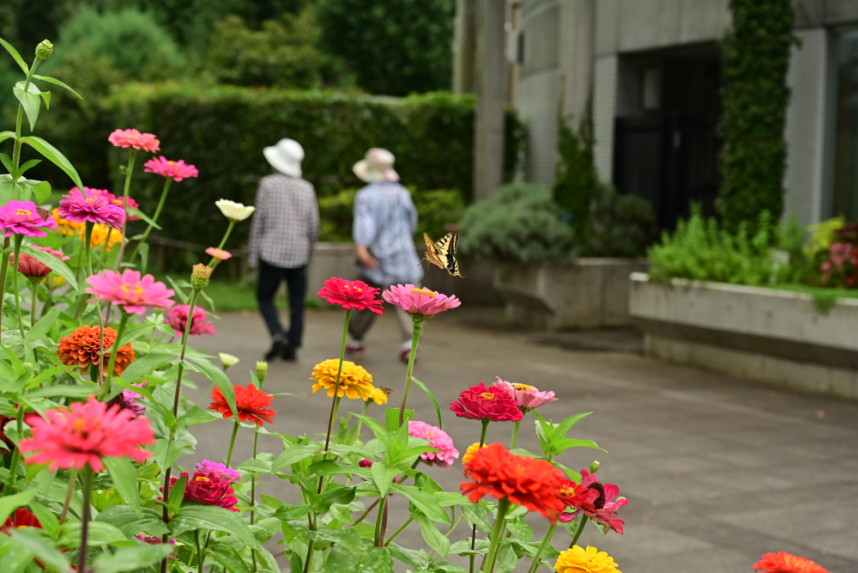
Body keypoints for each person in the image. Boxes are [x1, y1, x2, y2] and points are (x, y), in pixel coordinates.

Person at [347, 148, 423, 362]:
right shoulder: (403, 193)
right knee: (410, 301)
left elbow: (364, 224)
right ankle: (410, 344)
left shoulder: (365, 195)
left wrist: (362, 249)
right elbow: (412, 222)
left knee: (367, 299)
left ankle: (356, 341)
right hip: (403, 254)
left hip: (376, 257)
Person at [249, 138, 319, 361]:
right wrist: (309, 252)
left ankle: (278, 335)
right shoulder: (307, 188)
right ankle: (292, 345)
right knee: (297, 302)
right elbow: (313, 224)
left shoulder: (267, 184)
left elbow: (258, 220)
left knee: (264, 296)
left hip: (271, 252)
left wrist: (252, 255)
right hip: (299, 253)